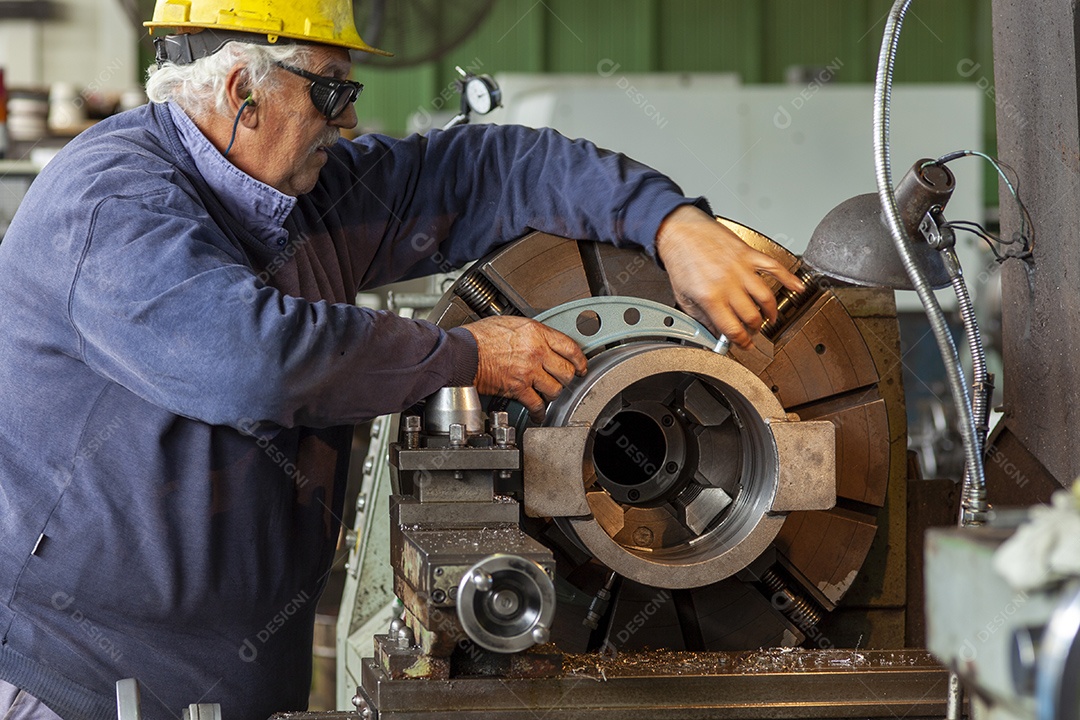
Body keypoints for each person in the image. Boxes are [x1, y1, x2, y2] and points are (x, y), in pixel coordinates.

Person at [0, 1, 803, 718]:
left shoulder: (302, 197)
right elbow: (252, 361)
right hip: (84, 685)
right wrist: (462, 358)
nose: (347, 122)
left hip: (241, 678)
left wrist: (671, 223)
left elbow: (491, 171)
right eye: (330, 92)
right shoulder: (109, 204)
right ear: (245, 92)